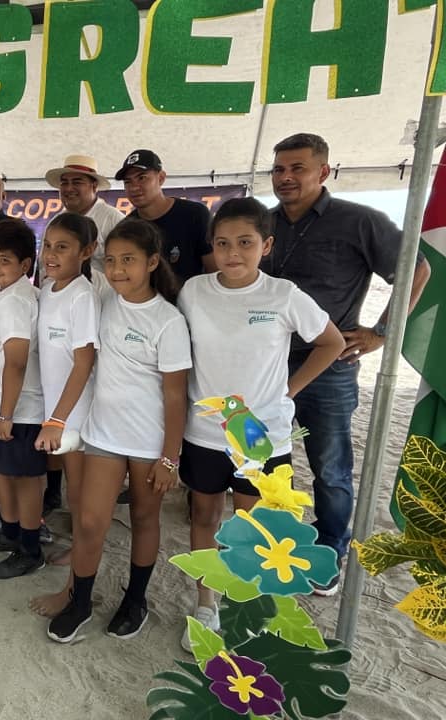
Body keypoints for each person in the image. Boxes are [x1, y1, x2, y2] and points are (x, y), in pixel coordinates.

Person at [265, 132, 430, 595]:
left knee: (330, 465)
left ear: (324, 171)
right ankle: (270, 543)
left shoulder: (359, 221)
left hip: (328, 366)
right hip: (264, 363)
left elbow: (417, 268)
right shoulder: (262, 221)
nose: (286, 177)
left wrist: (382, 332)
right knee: (265, 459)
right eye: (279, 169)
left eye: (298, 168)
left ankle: (331, 547)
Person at [178, 197, 344, 645]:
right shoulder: (193, 291)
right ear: (211, 246)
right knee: (205, 516)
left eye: (245, 242)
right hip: (204, 433)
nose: (233, 252)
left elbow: (330, 343)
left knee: (253, 526)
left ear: (266, 245)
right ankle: (206, 603)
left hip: (262, 436)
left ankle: (245, 604)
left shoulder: (283, 295)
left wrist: (287, 392)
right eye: (223, 242)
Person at [46, 219, 189, 643]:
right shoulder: (103, 302)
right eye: (111, 261)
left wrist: (169, 458)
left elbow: (176, 397)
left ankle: (135, 600)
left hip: (148, 442)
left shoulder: (168, 320)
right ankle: (80, 601)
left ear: (152, 262)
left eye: (128, 260)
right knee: (89, 523)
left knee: (145, 519)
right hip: (104, 436)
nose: (118, 269)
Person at [27, 213, 100, 619]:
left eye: (63, 247)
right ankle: (79, 559)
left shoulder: (81, 296)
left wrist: (58, 419)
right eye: (48, 245)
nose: (51, 255)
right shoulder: (49, 289)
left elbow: (83, 362)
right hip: (56, 408)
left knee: (84, 501)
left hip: (76, 413)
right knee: (76, 498)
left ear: (86, 252)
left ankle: (75, 591)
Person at [0, 219, 48, 579]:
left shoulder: (17, 299)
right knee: (4, 470)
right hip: (2, 402)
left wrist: (6, 415)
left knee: (26, 479)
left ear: (25, 266)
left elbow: (16, 361)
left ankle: (30, 549)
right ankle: (13, 532)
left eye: (5, 260)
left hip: (22, 408)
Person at [116, 149, 217, 282]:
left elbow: (214, 272)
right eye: (128, 182)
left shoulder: (195, 215)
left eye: (142, 178)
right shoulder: (126, 228)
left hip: (193, 300)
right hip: (148, 302)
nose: (134, 187)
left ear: (161, 178)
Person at [44, 154, 125, 277]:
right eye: (64, 183)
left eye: (77, 182)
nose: (69, 188)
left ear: (94, 186)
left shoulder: (113, 219)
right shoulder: (56, 222)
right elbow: (41, 266)